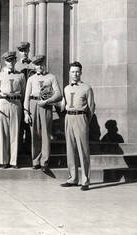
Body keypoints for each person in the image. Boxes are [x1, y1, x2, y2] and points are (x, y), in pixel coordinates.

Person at [60, 61, 95, 191]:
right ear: (69, 73)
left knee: (83, 150)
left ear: (81, 73)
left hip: (81, 118)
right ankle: (73, 178)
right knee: (70, 149)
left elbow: (91, 107)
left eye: (77, 71)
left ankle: (85, 180)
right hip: (68, 118)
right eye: (73, 71)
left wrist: (85, 121)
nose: (75, 74)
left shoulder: (87, 88)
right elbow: (64, 105)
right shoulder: (66, 88)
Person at [24, 55, 62, 173]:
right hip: (33, 104)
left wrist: (47, 101)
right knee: (34, 133)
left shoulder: (51, 77)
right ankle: (35, 161)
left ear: (44, 64)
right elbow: (26, 96)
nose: (39, 67)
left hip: (45, 105)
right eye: (37, 64)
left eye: (41, 64)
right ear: (34, 66)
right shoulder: (31, 79)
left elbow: (58, 94)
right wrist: (26, 112)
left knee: (45, 134)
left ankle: (44, 161)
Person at [0, 51, 25, 168]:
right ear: (5, 61)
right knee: (4, 132)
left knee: (15, 132)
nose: (10, 63)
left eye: (12, 60)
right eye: (8, 60)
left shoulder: (21, 75)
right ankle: (4, 160)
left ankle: (13, 161)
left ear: (15, 61)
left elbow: (23, 91)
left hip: (16, 103)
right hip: (4, 103)